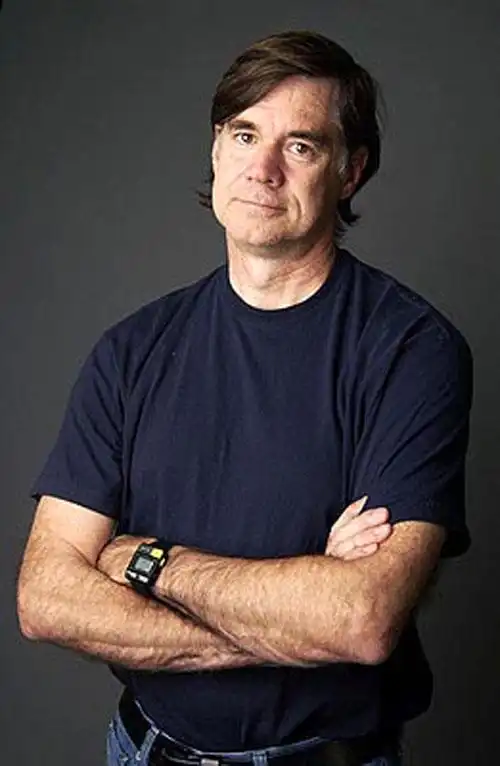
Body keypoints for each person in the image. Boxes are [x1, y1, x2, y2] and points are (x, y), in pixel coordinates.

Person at [17, 29, 473, 766]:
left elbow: (360, 620)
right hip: (143, 752)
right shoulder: (131, 351)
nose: (262, 169)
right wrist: (290, 619)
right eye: (244, 134)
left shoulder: (411, 350)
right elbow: (45, 597)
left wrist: (147, 562)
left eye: (301, 146)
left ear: (351, 171)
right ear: (215, 149)